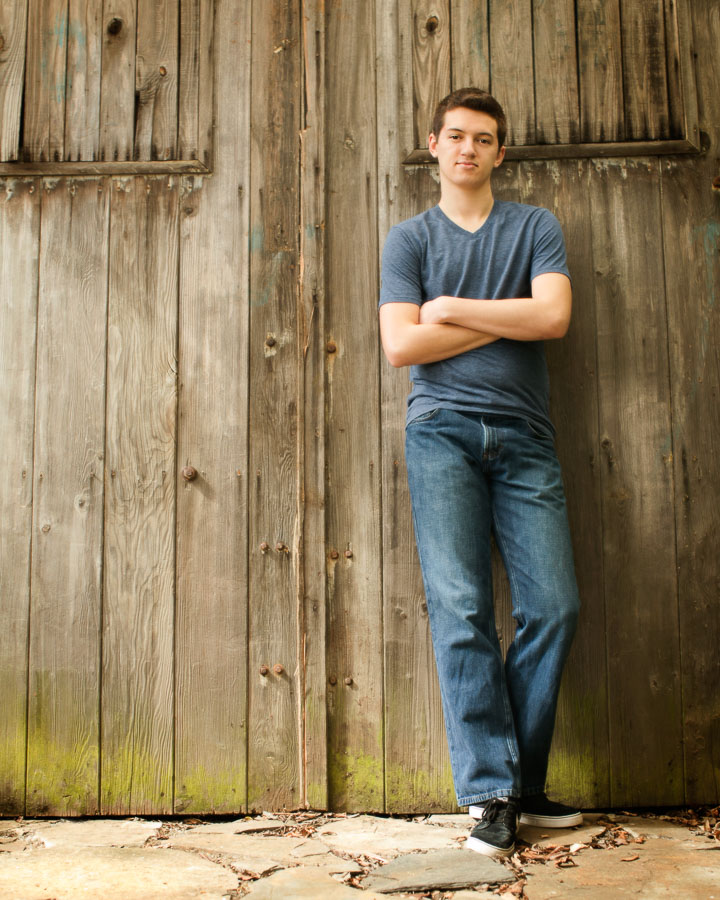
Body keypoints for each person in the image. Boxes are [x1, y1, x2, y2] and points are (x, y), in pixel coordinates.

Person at [378, 88, 582, 858]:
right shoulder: (409, 239)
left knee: (555, 606)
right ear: (433, 144)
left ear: (501, 152)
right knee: (461, 607)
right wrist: (506, 313)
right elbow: (401, 348)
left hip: (527, 437)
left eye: (484, 139)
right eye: (456, 135)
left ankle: (521, 781)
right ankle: (493, 793)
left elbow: (553, 319)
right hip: (442, 436)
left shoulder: (535, 226)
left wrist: (452, 308)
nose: (468, 148)